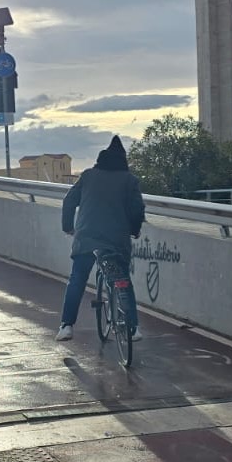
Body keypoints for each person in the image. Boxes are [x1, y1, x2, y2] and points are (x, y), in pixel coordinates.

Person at [57, 135, 146, 342]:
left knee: (77, 279)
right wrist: (134, 230)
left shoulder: (88, 176)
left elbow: (69, 201)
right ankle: (133, 328)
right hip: (116, 239)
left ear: (100, 160)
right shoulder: (129, 180)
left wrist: (68, 227)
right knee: (123, 279)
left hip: (87, 237)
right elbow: (137, 209)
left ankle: (67, 325)